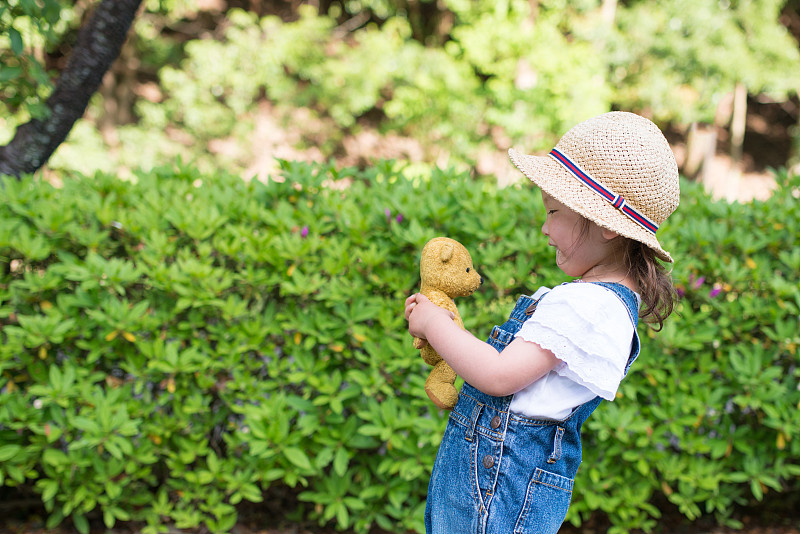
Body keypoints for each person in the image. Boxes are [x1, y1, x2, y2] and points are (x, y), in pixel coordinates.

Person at [404, 111, 680, 534]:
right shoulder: (600, 303)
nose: (545, 227)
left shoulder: (587, 305)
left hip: (496, 485)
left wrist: (435, 323)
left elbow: (498, 377)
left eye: (554, 212)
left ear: (606, 225)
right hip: (492, 479)